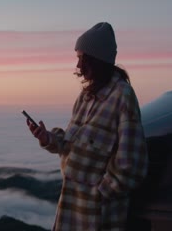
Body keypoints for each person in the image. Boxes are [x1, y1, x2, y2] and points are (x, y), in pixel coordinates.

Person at [26, 22, 148, 231]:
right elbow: (73, 143)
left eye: (83, 59)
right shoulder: (85, 97)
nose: (79, 67)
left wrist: (100, 193)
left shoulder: (122, 96)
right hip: (71, 206)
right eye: (78, 58)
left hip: (97, 215)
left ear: (98, 60)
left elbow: (132, 163)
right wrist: (47, 138)